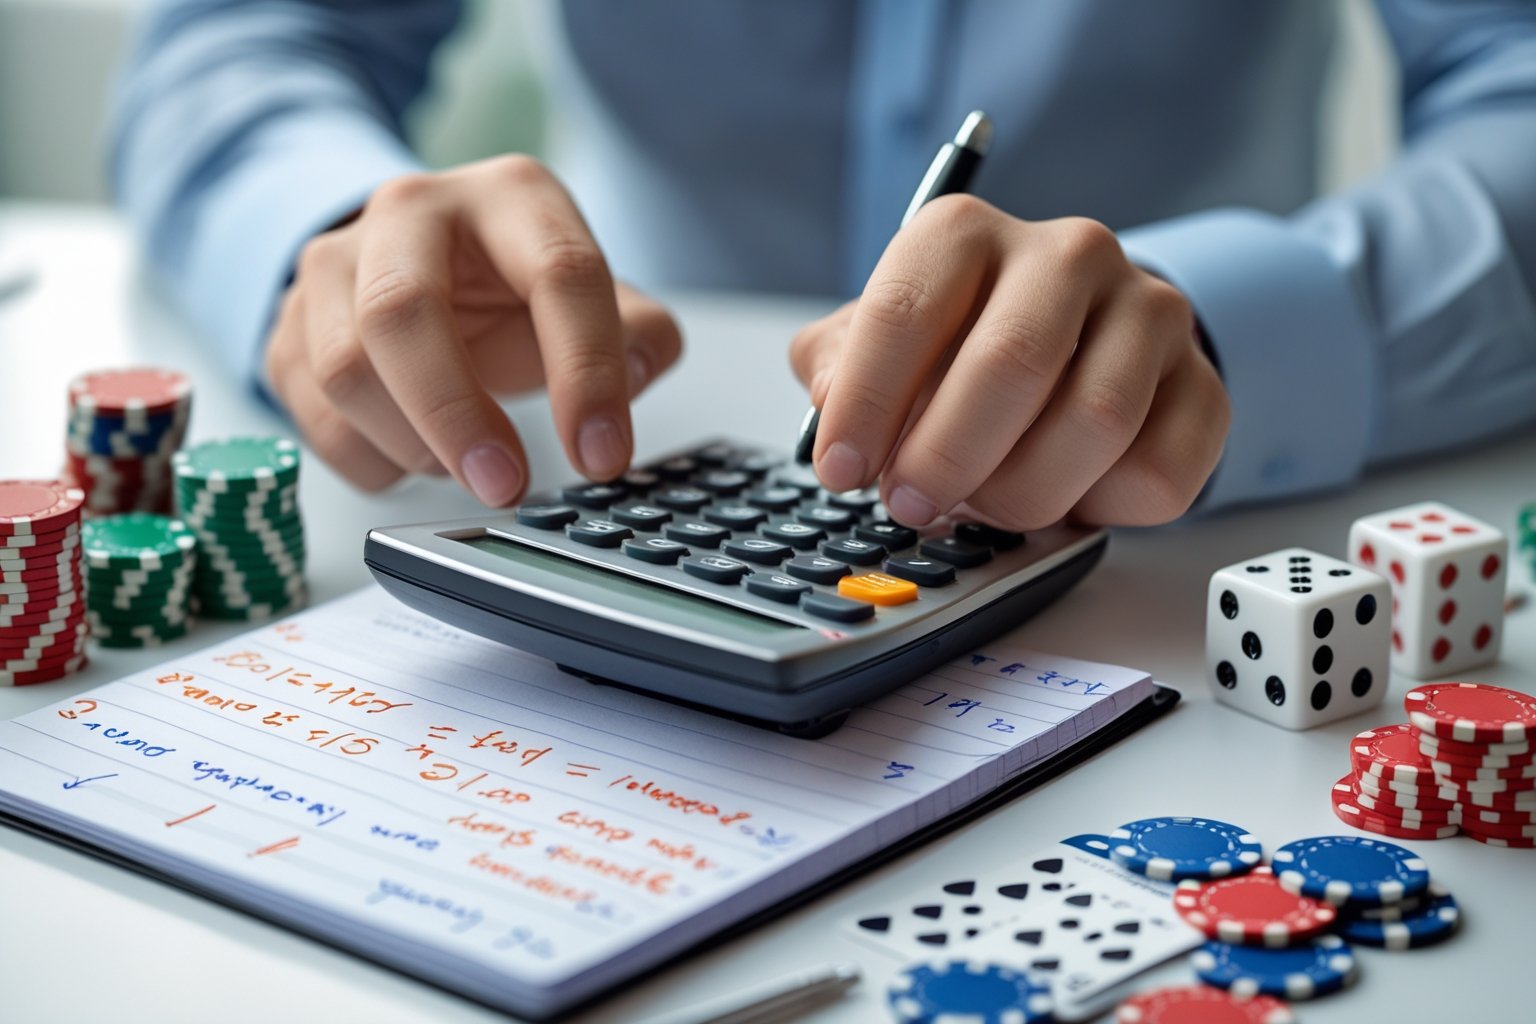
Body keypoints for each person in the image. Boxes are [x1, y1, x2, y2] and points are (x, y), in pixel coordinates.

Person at [112, 1, 1536, 530]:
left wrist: (1240, 323)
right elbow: (241, 39)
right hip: (613, 410)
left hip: (1166, 529)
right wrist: (332, 234)